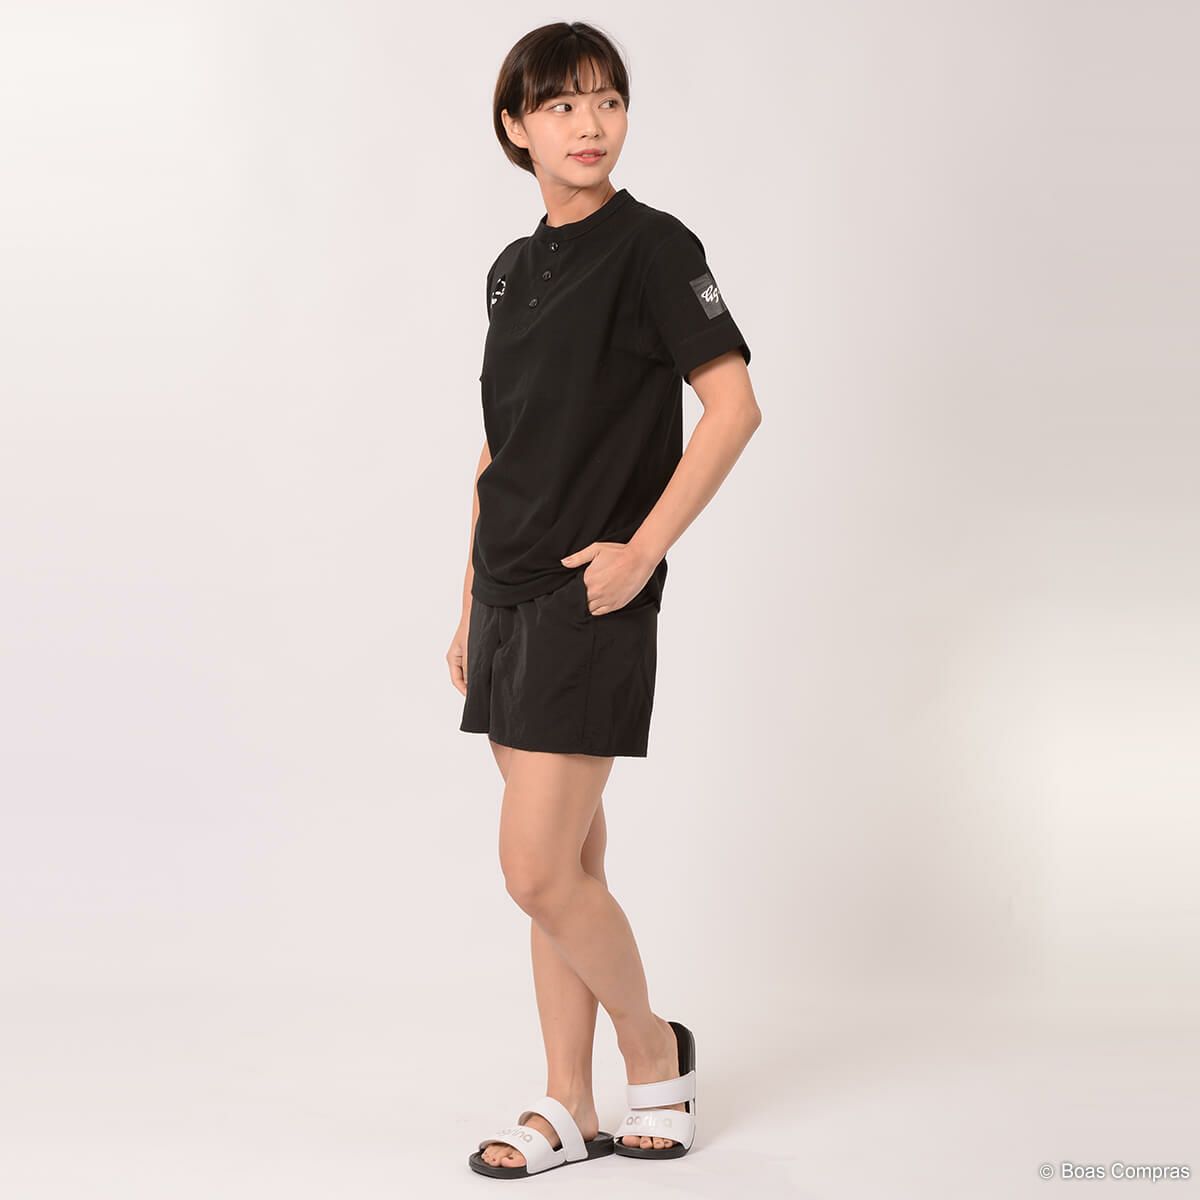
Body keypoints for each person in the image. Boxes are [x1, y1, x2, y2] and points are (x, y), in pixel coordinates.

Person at [446, 20, 761, 1180]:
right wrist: (466, 602)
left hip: (590, 596)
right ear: (516, 126)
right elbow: (501, 448)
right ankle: (568, 1102)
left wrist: (642, 551)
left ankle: (654, 1051)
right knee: (569, 874)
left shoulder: (654, 247)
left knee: (534, 869)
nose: (590, 124)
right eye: (563, 104)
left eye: (608, 100)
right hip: (506, 596)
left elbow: (734, 407)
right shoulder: (509, 270)